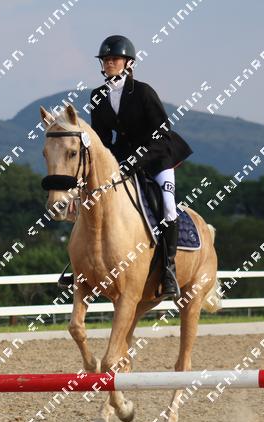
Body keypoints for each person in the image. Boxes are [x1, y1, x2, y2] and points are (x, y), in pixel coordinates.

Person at [89, 34, 193, 300]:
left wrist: (135, 161)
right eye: (106, 59)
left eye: (115, 59)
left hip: (157, 157)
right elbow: (102, 140)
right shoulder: (98, 96)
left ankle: (168, 270)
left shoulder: (144, 92)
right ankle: (83, 264)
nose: (109, 63)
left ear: (129, 63)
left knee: (167, 206)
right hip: (123, 159)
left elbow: (162, 135)